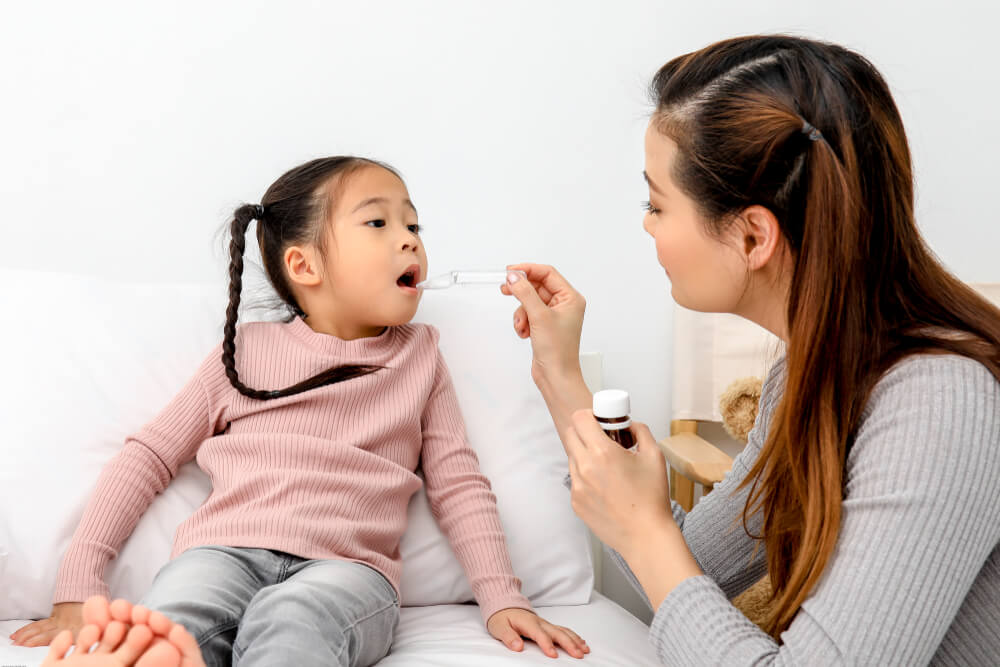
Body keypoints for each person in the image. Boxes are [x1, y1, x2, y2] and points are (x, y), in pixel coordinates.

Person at [501, 35, 1000, 665]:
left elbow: (660, 553)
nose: (646, 224)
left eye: (656, 204)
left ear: (753, 234)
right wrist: (561, 374)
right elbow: (686, 570)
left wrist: (646, 527)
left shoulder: (941, 400)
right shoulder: (813, 372)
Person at [11, 156, 589, 666]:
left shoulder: (419, 358)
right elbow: (148, 458)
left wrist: (502, 597)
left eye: (413, 224)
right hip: (223, 552)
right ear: (304, 267)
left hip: (349, 572)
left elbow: (459, 485)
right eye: (378, 222)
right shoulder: (246, 352)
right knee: (173, 622)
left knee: (294, 624)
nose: (410, 239)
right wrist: (77, 587)